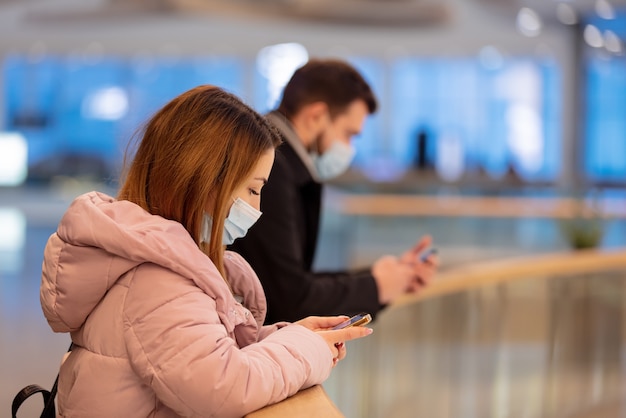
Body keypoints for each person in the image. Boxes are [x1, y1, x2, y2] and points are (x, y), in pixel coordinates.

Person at [39, 85, 372, 418]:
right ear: (204, 179)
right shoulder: (160, 281)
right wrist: (306, 350)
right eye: (254, 189)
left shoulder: (152, 267)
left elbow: (198, 353)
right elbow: (223, 389)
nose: (258, 207)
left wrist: (290, 337)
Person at [229, 59, 438, 324]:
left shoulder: (281, 165)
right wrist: (376, 286)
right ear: (316, 116)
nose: (349, 147)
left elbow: (289, 281)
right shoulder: (273, 169)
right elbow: (287, 299)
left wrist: (382, 279)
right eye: (349, 134)